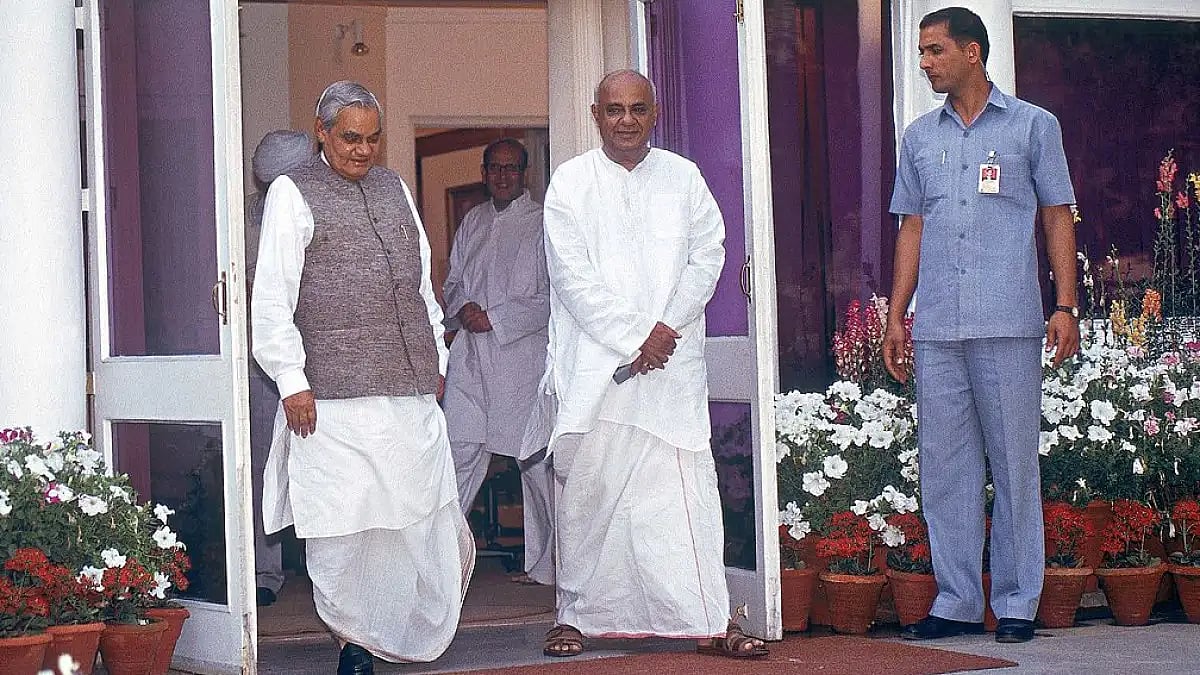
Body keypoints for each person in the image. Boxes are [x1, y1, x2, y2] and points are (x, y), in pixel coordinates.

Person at [535, 69, 767, 660]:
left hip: (670, 367)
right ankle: (575, 615)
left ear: (654, 113)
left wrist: (665, 330)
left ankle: (712, 619)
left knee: (682, 496)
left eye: (638, 109)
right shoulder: (571, 183)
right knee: (591, 492)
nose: (627, 120)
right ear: (596, 115)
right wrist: (638, 335)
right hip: (598, 366)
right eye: (615, 110)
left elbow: (708, 254)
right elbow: (573, 278)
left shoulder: (682, 177)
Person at [251, 80, 474, 674]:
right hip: (331, 401)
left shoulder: (396, 187)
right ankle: (353, 642)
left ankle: (395, 631)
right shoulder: (294, 194)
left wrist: (437, 364)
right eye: (350, 137)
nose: (362, 150)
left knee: (410, 517)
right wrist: (292, 380)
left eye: (373, 138)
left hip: (407, 393)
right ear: (322, 133)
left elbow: (422, 288)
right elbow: (272, 298)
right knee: (344, 526)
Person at [883, 7, 1079, 645]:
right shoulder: (918, 137)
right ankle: (959, 600)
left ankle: (1019, 602)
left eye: (934, 51)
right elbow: (911, 226)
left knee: (1015, 465)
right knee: (945, 466)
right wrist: (896, 314)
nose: (924, 63)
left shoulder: (1032, 128)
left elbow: (1057, 214)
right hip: (938, 327)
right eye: (921, 51)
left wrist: (1065, 306)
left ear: (972, 53)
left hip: (1008, 324)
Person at [442, 138, 554, 585]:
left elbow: (552, 297)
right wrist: (464, 306)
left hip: (519, 362)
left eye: (511, 168)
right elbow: (451, 282)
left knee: (535, 465)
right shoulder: (472, 221)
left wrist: (498, 319)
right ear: (484, 172)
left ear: (524, 173)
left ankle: (549, 567)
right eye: (494, 168)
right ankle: (442, 559)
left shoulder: (543, 223)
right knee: (457, 452)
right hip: (469, 359)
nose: (502, 176)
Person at [244, 130, 316, 608]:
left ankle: (325, 574)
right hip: (263, 365)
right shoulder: (246, 217)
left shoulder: (323, 204)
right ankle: (265, 573)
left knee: (319, 468)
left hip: (317, 362)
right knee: (262, 466)